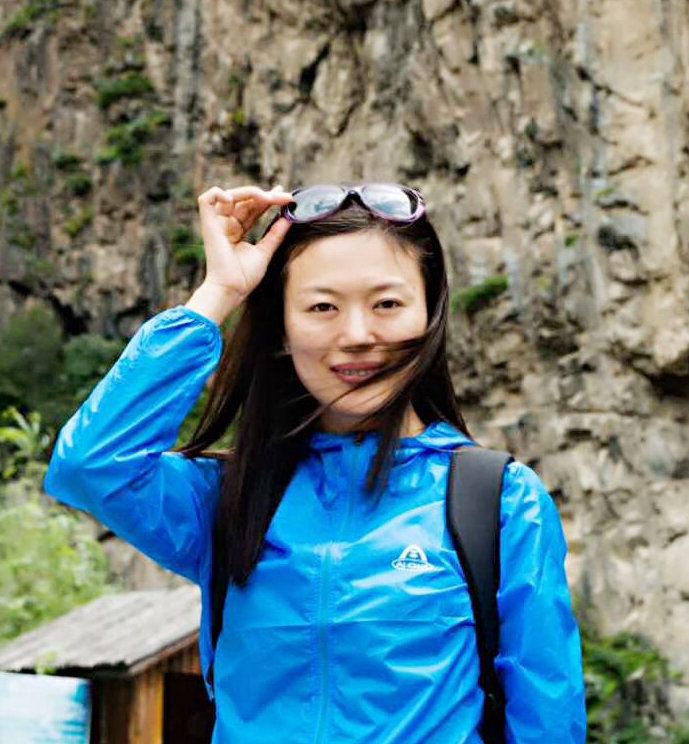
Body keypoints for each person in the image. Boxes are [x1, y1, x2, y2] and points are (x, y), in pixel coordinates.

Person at [44, 182, 587, 743]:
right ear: (282, 329)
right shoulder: (230, 497)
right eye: (322, 307)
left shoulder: (497, 502)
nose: (357, 336)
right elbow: (92, 465)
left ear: (429, 313)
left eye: (387, 304)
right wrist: (219, 293)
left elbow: (548, 719)